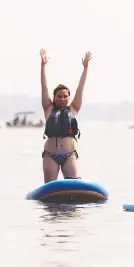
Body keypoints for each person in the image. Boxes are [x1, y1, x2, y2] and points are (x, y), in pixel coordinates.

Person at [40, 49, 92, 183]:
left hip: (69, 155)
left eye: (65, 96)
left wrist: (85, 68)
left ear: (69, 97)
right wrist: (43, 66)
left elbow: (80, 88)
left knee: (73, 185)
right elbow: (44, 87)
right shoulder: (48, 108)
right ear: (54, 97)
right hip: (50, 155)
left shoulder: (74, 108)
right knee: (50, 187)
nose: (62, 99)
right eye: (59, 96)